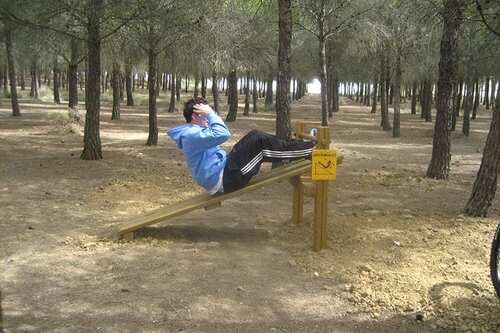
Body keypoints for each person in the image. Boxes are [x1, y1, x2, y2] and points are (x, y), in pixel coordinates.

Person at [167, 97, 315, 194]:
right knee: (260, 145)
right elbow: (223, 134)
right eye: (204, 114)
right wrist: (210, 113)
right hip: (226, 180)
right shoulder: (191, 135)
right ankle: (309, 150)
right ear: (195, 116)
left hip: (225, 171)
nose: (208, 117)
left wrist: (209, 114)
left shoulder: (193, 132)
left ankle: (302, 146)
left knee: (255, 136)